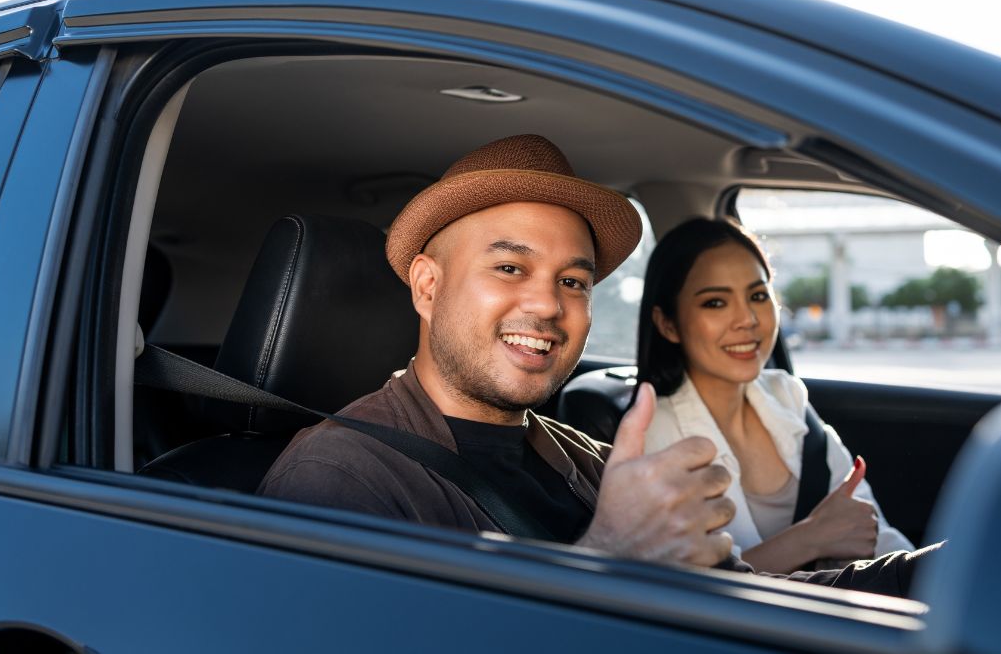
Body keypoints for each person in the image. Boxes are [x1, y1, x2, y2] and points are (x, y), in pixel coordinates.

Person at [258, 134, 932, 596]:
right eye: (510, 267)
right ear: (428, 287)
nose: (547, 304)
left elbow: (743, 599)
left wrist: (922, 576)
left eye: (573, 281)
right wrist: (608, 557)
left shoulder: (582, 457)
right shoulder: (338, 478)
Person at [638, 217, 913, 574]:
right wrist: (811, 538)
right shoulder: (656, 435)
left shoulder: (788, 396)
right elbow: (693, 585)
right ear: (668, 324)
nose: (748, 319)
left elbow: (874, 532)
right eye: (715, 303)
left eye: (757, 296)